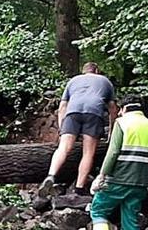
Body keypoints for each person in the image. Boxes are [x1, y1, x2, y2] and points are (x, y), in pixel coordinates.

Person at [86, 95, 148, 230]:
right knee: (130, 218)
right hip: (140, 182)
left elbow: (112, 153)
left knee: (98, 210)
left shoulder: (122, 123)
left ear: (124, 108)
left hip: (119, 178)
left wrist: (101, 176)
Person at [39, 62, 117, 197]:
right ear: (97, 70)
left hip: (72, 112)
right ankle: (79, 188)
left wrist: (61, 127)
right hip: (94, 112)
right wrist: (112, 130)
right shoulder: (105, 81)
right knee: (88, 153)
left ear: (83, 71)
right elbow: (112, 109)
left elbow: (62, 106)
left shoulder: (73, 81)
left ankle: (51, 175)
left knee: (63, 148)